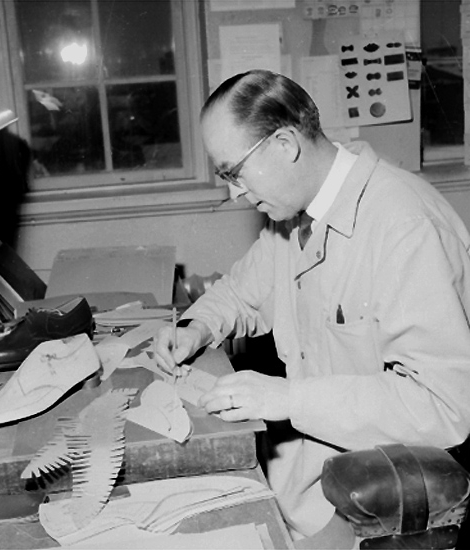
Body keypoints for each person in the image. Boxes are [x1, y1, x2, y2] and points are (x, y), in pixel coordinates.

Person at [154, 69, 470, 541]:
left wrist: (285, 398)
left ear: (285, 144)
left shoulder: (405, 227)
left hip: (374, 509)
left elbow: (443, 405)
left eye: (233, 172)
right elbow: (242, 291)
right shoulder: (295, 214)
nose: (234, 193)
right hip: (301, 488)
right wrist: (195, 327)